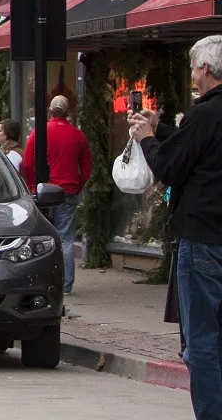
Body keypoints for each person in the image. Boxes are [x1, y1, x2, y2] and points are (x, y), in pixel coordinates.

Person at [133, 35, 222, 420]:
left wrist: (147, 139)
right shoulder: (206, 118)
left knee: (202, 342)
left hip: (203, 239)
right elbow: (194, 148)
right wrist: (163, 129)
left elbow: (171, 166)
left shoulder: (206, 113)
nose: (191, 74)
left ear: (205, 69)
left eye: (192, 67)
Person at [21, 94, 92, 295]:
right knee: (66, 238)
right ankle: (66, 284)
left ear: (50, 110)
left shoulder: (39, 133)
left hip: (43, 191)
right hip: (67, 191)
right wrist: (77, 186)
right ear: (68, 111)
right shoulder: (77, 135)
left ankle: (41, 279)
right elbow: (86, 166)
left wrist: (33, 186)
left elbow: (27, 163)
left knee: (41, 236)